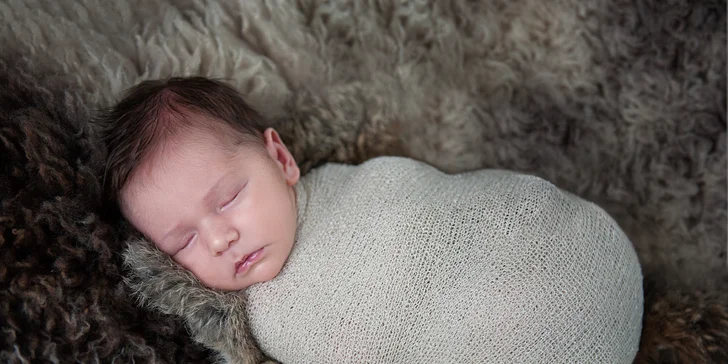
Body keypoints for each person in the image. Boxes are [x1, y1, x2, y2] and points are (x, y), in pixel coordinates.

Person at [102, 77, 644, 364]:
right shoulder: (269, 317)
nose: (221, 238)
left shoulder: (354, 182)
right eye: (185, 241)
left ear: (282, 160)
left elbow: (435, 210)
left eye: (228, 198)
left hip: (561, 257)